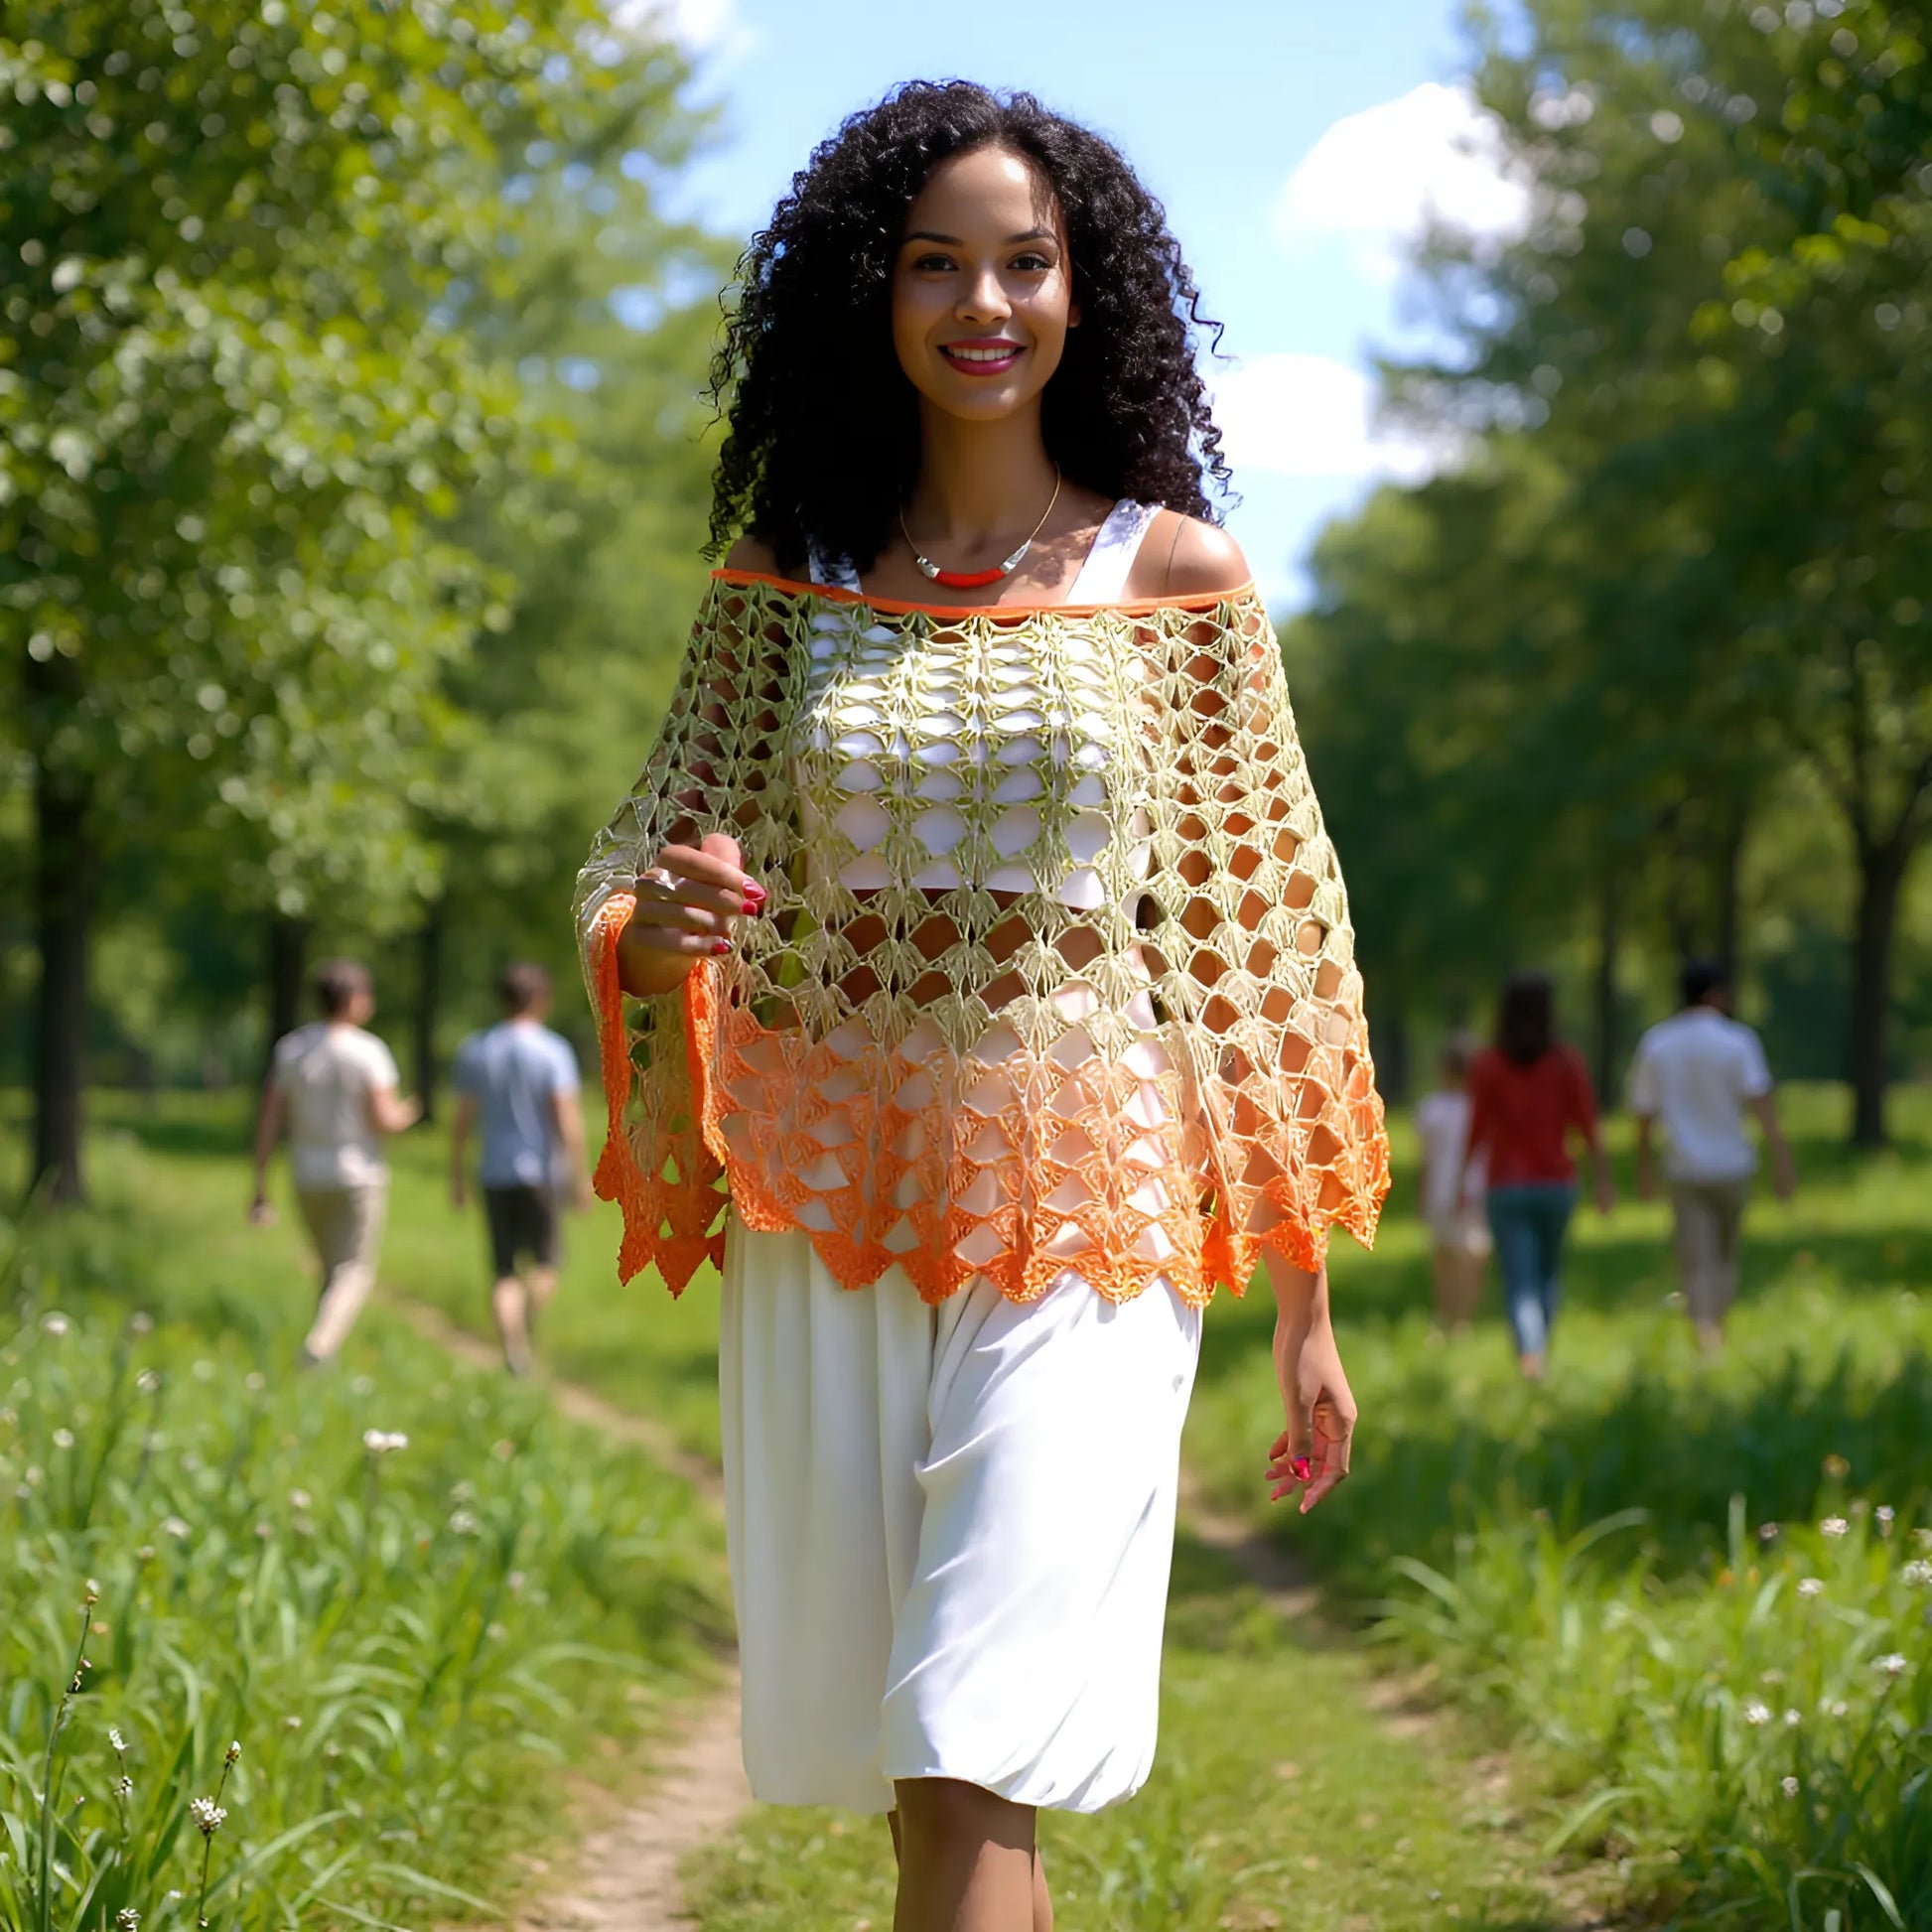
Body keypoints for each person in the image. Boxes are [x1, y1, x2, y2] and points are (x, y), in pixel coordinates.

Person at [571, 83, 1391, 1932]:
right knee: (920, 1780)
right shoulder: (784, 590)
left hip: (1092, 1207)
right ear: (873, 294)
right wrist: (659, 925)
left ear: (1085, 293)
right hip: (838, 1201)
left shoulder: (1173, 578)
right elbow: (627, 864)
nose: (983, 303)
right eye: (936, 264)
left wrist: (1305, 1311)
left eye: (1025, 262)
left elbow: (1250, 954)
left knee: (967, 1728)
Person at [250, 958, 420, 1363]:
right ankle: (319, 1347)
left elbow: (271, 1119)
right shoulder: (368, 1051)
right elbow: (384, 1119)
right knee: (355, 1271)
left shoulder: (291, 1049)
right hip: (358, 1174)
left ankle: (321, 1362)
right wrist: (409, 1112)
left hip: (307, 1174)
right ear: (355, 1000)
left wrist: (259, 1185)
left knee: (329, 1270)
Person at [1628, 958, 1795, 1352]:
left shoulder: (1657, 1043)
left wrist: (1645, 1168)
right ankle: (1714, 1326)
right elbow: (1762, 1104)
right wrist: (1782, 1159)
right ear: (1715, 994)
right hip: (1733, 1164)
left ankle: (1706, 1332)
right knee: (1725, 1255)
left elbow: (1644, 1113)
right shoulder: (1738, 1041)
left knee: (1694, 1257)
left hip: (1684, 1167)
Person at [1464, 972, 1612, 1379]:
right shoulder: (1565, 1063)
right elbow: (1588, 1125)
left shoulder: (1489, 1065)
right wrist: (1603, 1179)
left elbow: (1476, 1128)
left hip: (1506, 1186)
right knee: (1547, 1275)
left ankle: (1531, 1356)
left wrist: (1462, 1180)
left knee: (1519, 1278)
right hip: (1555, 1183)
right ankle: (1537, 1351)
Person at [450, 962, 592, 1375]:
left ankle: (512, 1342)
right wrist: (579, 1175)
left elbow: (462, 1122)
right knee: (546, 1263)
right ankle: (524, 1323)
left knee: (503, 1268)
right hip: (541, 1172)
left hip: (494, 1171)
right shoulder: (552, 1050)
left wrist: (457, 1174)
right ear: (541, 999)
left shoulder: (477, 1049)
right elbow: (567, 1119)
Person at [1414, 1031, 1489, 1332]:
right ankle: (1464, 1317)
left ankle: (1447, 1314)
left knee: (1443, 1255)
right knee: (1472, 1255)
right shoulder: (1481, 1110)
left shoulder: (1430, 1110)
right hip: (1476, 1187)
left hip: (1439, 1189)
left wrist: (1421, 1194)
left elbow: (1426, 1161)